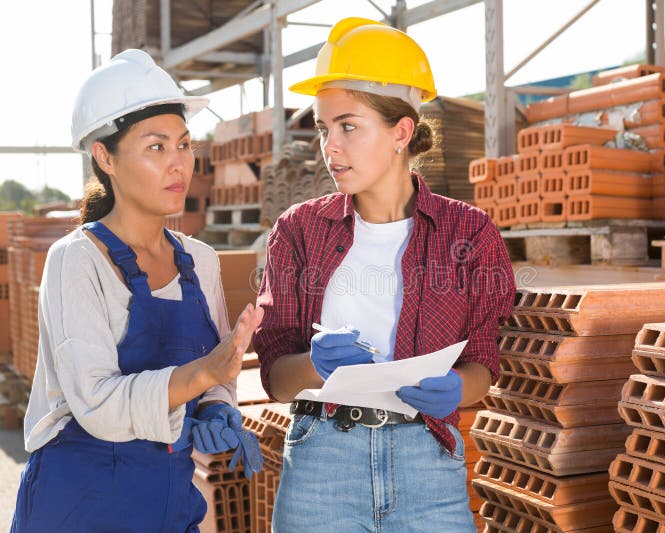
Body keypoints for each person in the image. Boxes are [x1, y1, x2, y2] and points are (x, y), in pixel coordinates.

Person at [253, 17, 516, 532]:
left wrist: (456, 389)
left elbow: (484, 364)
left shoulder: (469, 233)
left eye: (348, 126)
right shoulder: (299, 231)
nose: (330, 146)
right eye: (324, 129)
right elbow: (276, 379)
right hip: (321, 465)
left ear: (401, 132)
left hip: (427, 466)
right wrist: (313, 364)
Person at [11, 49, 264, 532]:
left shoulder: (201, 262)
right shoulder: (77, 261)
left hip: (168, 500)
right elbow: (98, 404)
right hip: (79, 504)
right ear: (104, 156)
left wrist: (217, 407)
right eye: (156, 147)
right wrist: (203, 373)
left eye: (185, 145)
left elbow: (215, 376)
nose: (179, 164)